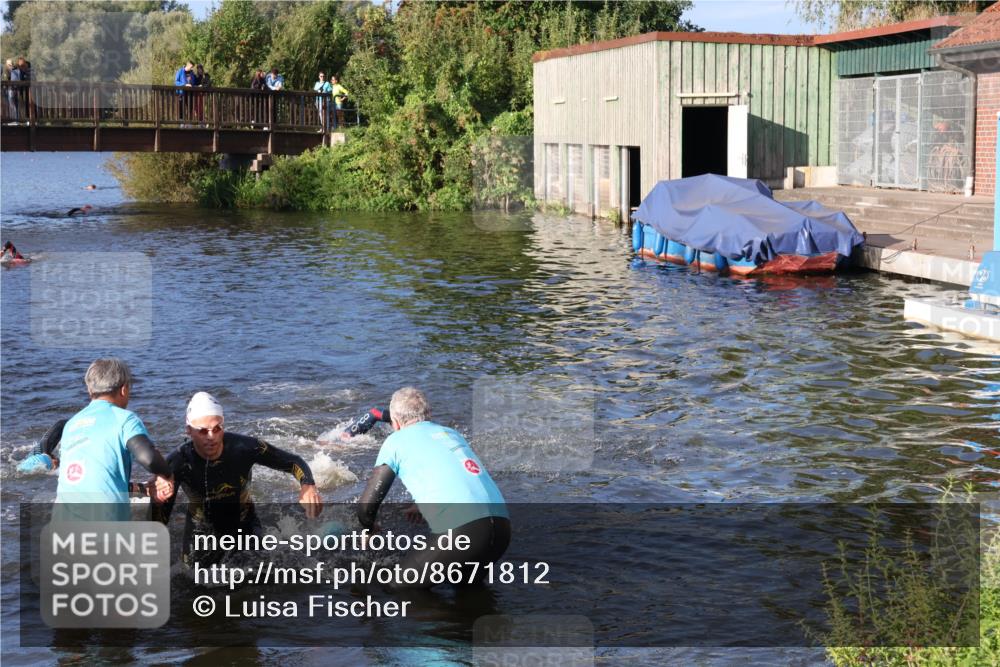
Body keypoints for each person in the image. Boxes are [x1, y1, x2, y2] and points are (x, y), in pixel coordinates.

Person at [352, 387, 510, 589]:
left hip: (463, 531)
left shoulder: (395, 441)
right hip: (502, 528)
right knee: (468, 591)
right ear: (428, 415)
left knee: (398, 588)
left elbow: (366, 507)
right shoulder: (451, 434)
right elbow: (459, 474)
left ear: (396, 422)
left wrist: (368, 526)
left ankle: (439, 620)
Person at [152, 392, 323, 567]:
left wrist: (308, 485)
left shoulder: (244, 447)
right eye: (203, 431)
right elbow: (158, 516)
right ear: (189, 430)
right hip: (200, 530)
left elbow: (293, 461)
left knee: (259, 576)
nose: (211, 437)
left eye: (216, 429)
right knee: (192, 583)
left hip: (244, 523)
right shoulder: (177, 461)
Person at [38, 358, 175, 521]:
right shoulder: (124, 419)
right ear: (124, 389)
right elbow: (148, 458)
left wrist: (142, 489)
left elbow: (95, 478)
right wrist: (167, 475)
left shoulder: (71, 424)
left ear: (90, 390)